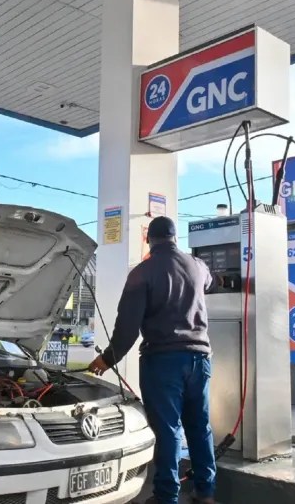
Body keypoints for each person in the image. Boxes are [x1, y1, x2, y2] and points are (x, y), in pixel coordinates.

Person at [88, 216, 221, 504]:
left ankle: (166, 496)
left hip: (163, 362)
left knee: (168, 428)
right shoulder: (197, 266)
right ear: (175, 238)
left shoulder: (143, 272)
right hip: (200, 359)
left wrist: (106, 359)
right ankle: (206, 493)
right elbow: (212, 282)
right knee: (200, 426)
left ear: (149, 239)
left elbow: (127, 328)